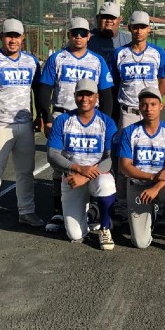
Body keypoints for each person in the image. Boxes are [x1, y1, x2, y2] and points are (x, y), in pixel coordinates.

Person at [38, 17, 114, 232]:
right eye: (74, 33)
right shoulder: (57, 58)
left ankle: (93, 207)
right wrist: (47, 117)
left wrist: (105, 120)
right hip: (62, 115)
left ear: (89, 36)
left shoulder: (97, 61)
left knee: (93, 159)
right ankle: (58, 211)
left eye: (82, 33)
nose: (78, 37)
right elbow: (44, 89)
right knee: (58, 167)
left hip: (92, 117)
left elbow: (106, 94)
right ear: (69, 34)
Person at [0, 19, 44, 233]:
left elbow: (37, 91)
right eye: (8, 36)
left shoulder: (31, 62)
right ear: (1, 37)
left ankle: (26, 211)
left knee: (25, 172)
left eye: (16, 36)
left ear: (22, 38)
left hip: (24, 124)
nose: (12, 40)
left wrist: (40, 115)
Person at [46, 78, 117, 249]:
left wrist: (85, 176)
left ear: (97, 97)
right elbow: (52, 155)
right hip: (72, 177)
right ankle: (92, 213)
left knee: (106, 184)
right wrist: (77, 168)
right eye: (80, 94)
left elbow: (111, 158)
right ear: (74, 96)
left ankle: (105, 227)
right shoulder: (63, 120)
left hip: (96, 175)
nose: (84, 99)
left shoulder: (107, 122)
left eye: (89, 94)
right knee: (75, 235)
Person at [118, 87, 165, 252]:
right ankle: (153, 211)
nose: (148, 109)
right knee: (141, 243)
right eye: (144, 104)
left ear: (161, 106)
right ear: (139, 107)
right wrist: (152, 177)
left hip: (161, 185)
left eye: (153, 104)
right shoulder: (130, 132)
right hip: (138, 185)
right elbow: (125, 166)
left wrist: (156, 187)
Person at [112, 10, 165, 128]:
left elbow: (163, 81)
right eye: (135, 27)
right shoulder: (119, 53)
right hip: (128, 111)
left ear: (149, 29)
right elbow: (115, 82)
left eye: (142, 27)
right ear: (129, 28)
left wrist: (155, 101)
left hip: (150, 111)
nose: (139, 31)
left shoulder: (158, 52)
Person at [88, 1, 131, 67]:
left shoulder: (129, 40)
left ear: (120, 19)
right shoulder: (86, 39)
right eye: (105, 17)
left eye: (112, 17)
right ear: (97, 18)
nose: (108, 20)